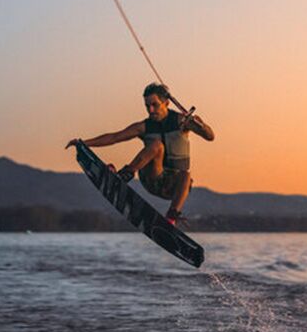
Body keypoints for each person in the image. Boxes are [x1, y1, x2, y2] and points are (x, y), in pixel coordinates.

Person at [66, 83, 215, 225]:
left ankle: (171, 217)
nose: (150, 110)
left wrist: (201, 125)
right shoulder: (143, 126)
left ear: (166, 103)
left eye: (154, 105)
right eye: (147, 106)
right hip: (152, 177)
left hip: (173, 187)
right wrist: (83, 143)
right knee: (157, 145)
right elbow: (114, 137)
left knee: (186, 175)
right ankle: (123, 176)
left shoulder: (182, 121)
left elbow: (210, 136)